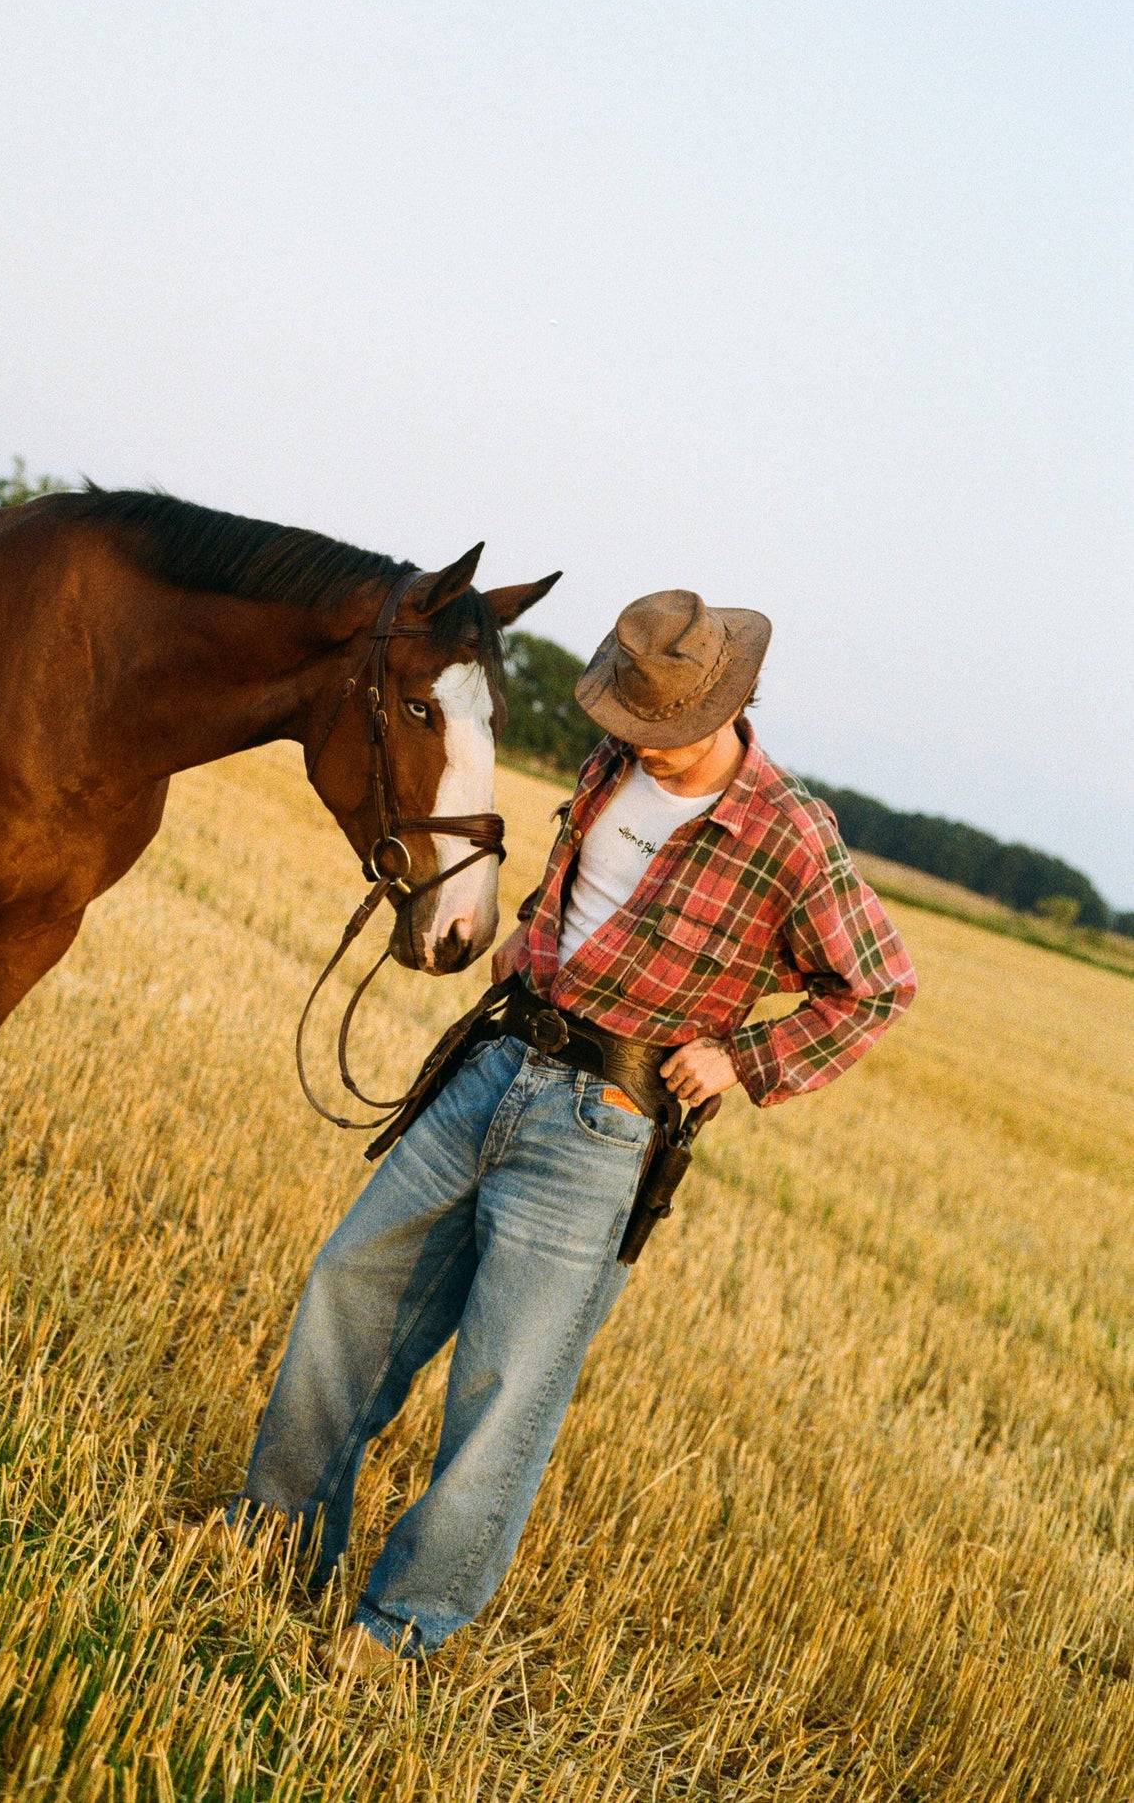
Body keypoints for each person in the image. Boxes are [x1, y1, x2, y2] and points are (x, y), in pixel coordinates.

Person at [225, 589, 917, 1672]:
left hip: (601, 1126)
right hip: (495, 1063)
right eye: (629, 723)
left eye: (664, 732)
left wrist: (744, 1057)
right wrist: (535, 940)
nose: (642, 746)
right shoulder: (611, 764)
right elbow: (589, 883)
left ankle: (400, 1624)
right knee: (349, 1284)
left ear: (734, 702)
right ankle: (268, 1534)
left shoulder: (787, 831)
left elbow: (876, 986)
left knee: (503, 1389)